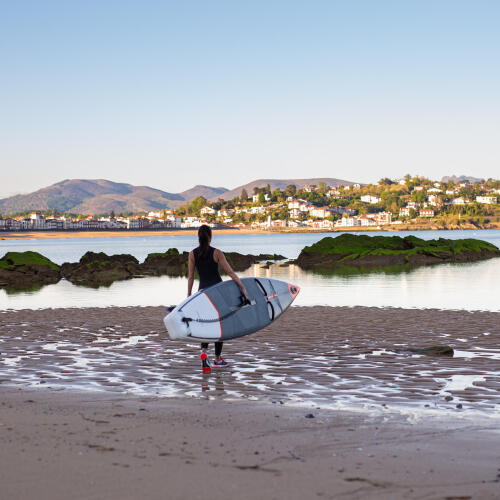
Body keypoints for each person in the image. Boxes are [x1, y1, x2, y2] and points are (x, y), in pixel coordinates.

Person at [188, 225, 248, 371]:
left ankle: (203, 353)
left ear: (198, 237)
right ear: (210, 237)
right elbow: (230, 272)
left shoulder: (192, 254)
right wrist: (242, 287)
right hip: (218, 294)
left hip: (202, 294)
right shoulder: (217, 253)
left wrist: (189, 298)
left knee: (206, 326)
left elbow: (190, 277)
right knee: (220, 326)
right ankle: (217, 359)